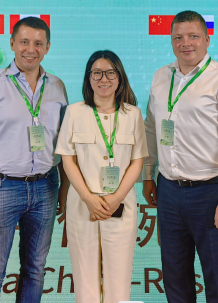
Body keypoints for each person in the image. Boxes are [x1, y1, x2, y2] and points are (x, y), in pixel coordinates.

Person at [142, 10, 218, 303]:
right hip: (168, 191)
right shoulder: (160, 76)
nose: (185, 43)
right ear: (171, 40)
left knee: (217, 280)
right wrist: (148, 174)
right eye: (178, 37)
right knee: (175, 278)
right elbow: (151, 129)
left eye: (193, 36)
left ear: (207, 39)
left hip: (211, 193)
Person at [0, 16, 69, 303]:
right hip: (0, 189)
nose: (30, 49)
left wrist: (65, 190)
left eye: (38, 43)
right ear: (12, 44)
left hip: (46, 187)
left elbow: (65, 144)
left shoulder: (57, 87)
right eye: (24, 42)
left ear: (47, 47)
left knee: (35, 270)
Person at [56, 50, 148, 303]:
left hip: (120, 204)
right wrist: (88, 198)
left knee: (119, 277)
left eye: (110, 73)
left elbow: (137, 161)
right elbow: (67, 160)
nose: (103, 79)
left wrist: (116, 198)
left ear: (120, 78)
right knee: (84, 276)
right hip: (82, 203)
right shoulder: (74, 112)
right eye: (96, 73)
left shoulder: (133, 114)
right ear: (88, 78)